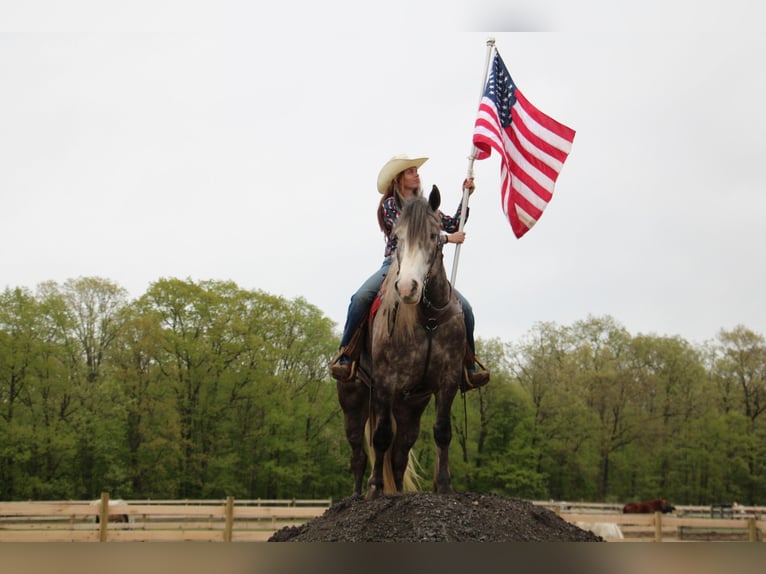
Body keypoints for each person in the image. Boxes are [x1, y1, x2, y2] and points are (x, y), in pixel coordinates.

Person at [329, 154, 490, 391]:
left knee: (464, 308)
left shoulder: (425, 207)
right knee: (360, 298)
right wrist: (446, 239)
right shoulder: (390, 205)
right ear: (398, 178)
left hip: (424, 268)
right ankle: (346, 355)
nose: (417, 174)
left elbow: (455, 223)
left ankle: (469, 366)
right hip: (395, 265)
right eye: (410, 171)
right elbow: (406, 234)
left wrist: (466, 197)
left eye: (416, 170)